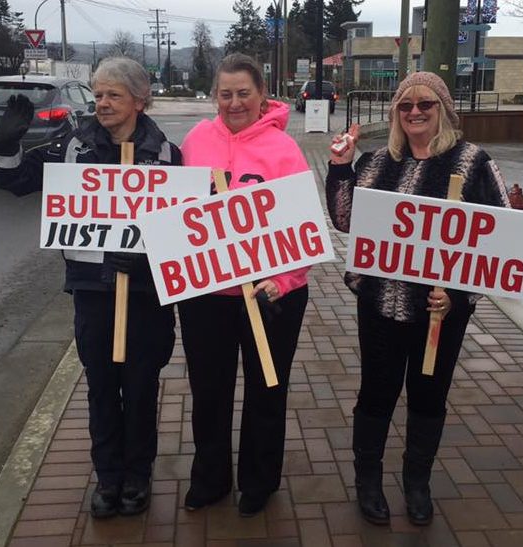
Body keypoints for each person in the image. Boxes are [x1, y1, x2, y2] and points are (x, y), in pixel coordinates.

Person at [0, 57, 181, 519]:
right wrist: (3, 145)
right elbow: (16, 180)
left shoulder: (168, 154)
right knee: (100, 390)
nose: (102, 103)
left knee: (139, 389)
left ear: (139, 99)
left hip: (146, 298)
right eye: (97, 94)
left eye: (113, 94)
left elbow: (181, 233)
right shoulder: (74, 147)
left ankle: (138, 476)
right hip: (94, 294)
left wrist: (143, 255)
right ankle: (108, 477)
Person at [326, 71, 510, 526]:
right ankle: (367, 480)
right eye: (405, 105)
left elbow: (503, 235)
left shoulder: (472, 162)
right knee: (376, 394)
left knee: (429, 396)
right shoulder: (374, 162)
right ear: (395, 114)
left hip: (440, 311)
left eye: (425, 103)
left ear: (443, 109)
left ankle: (416, 482)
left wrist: (461, 292)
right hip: (379, 304)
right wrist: (339, 166)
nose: (414, 112)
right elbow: (345, 219)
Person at [178, 53, 310, 517]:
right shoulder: (195, 141)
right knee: (209, 389)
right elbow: (176, 218)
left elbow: (302, 231)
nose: (234, 103)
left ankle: (259, 480)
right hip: (207, 295)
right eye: (225, 93)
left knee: (266, 390)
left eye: (243, 93)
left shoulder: (284, 151)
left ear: (261, 95)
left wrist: (283, 281)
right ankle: (210, 478)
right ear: (216, 95)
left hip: (270, 294)